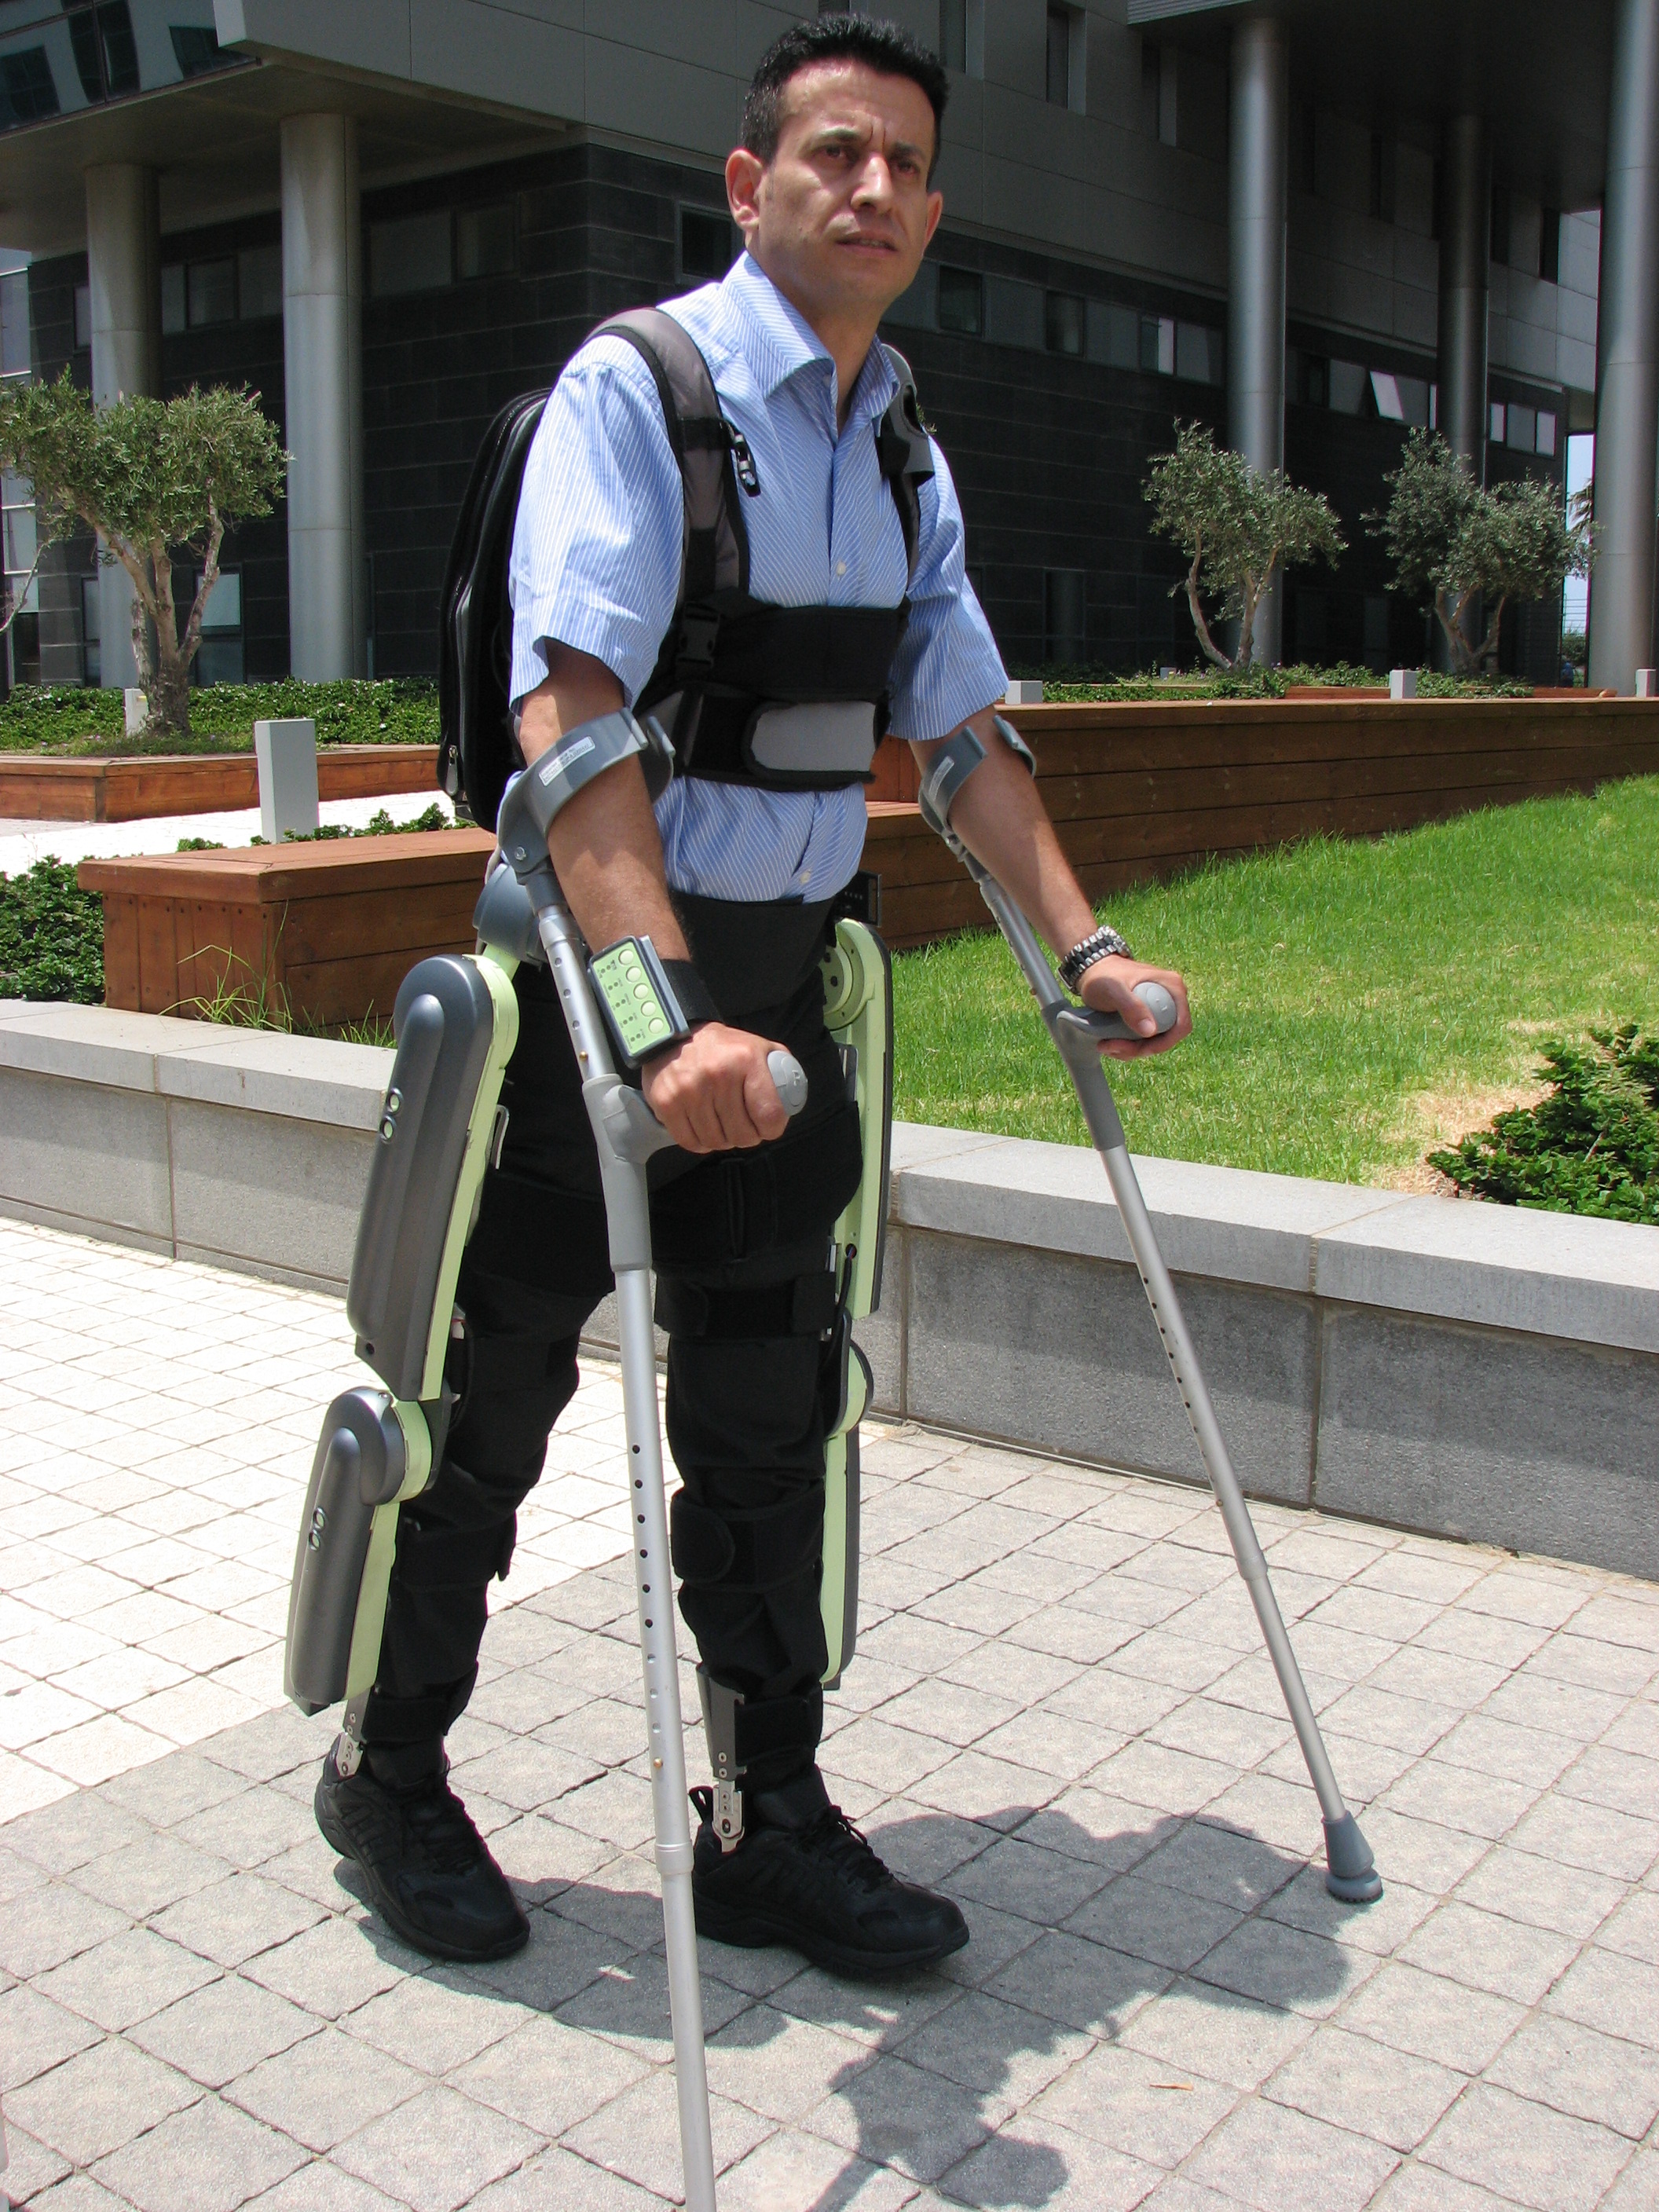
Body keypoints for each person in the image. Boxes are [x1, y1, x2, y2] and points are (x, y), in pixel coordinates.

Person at [313, 14, 1191, 1977]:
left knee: (774, 1419)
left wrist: (1091, 949)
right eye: (831, 153)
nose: (868, 186)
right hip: (594, 1009)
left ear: (935, 211)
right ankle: (389, 1770)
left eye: (901, 165)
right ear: (750, 184)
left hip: (781, 1013)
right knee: (485, 1416)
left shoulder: (901, 440)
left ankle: (766, 1814)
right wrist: (659, 1020)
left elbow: (961, 733)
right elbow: (572, 718)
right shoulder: (635, 393)